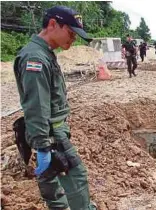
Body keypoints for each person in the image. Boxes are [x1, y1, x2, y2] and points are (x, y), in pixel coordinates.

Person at [13, 6, 97, 210]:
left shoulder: (45, 54)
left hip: (55, 134)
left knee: (73, 186)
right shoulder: (36, 59)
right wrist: (44, 147)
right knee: (67, 190)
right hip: (51, 137)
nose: (74, 39)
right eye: (71, 33)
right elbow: (37, 107)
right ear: (53, 25)